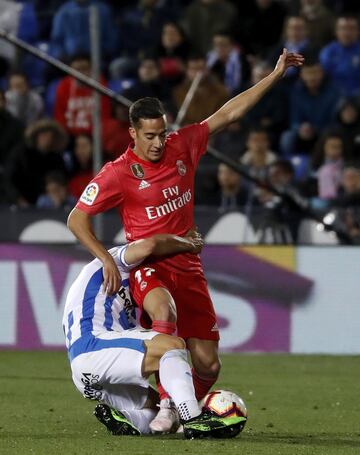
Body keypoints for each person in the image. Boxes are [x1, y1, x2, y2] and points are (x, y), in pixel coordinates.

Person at [67, 48, 304, 432]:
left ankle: (173, 408)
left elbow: (229, 113)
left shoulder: (183, 145)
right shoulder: (117, 173)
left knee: (209, 363)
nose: (158, 143)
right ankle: (167, 406)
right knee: (165, 314)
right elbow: (77, 219)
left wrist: (275, 74)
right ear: (132, 133)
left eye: (161, 133)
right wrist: (107, 260)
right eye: (149, 136)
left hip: (188, 265)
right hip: (149, 266)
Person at [63, 232, 246, 438]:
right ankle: (193, 418)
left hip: (86, 372)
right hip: (93, 346)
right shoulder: (114, 260)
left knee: (157, 407)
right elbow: (150, 245)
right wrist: (189, 243)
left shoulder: (121, 304)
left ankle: (127, 419)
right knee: (172, 345)